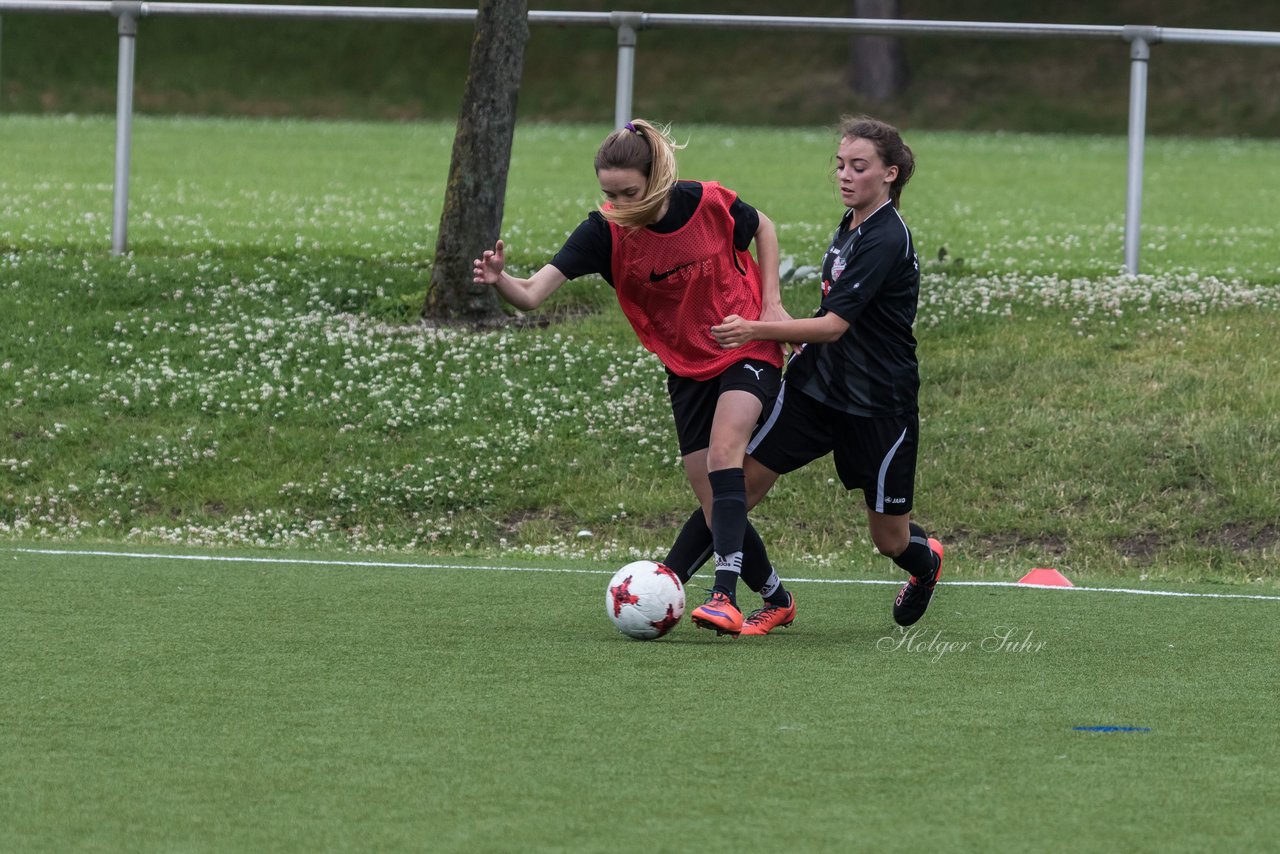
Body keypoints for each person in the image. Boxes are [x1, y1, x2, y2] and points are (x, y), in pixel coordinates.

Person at [472, 119, 797, 636]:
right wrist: (500, 281)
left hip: (745, 343)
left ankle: (723, 596)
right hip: (685, 366)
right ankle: (777, 598)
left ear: (657, 178)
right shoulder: (603, 232)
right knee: (714, 504)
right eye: (609, 193)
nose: (619, 203)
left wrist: (772, 304)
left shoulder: (707, 202)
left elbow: (764, 227)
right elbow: (533, 293)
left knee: (723, 456)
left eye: (629, 192)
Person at [710, 115, 945, 628]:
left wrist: (756, 329)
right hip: (815, 390)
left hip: (879, 405)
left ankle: (926, 567)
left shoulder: (886, 237)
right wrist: (792, 335)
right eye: (839, 165)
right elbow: (831, 318)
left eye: (858, 167)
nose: (844, 175)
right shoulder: (851, 225)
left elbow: (836, 324)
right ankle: (735, 596)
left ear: (890, 173)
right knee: (736, 487)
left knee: (889, 540)